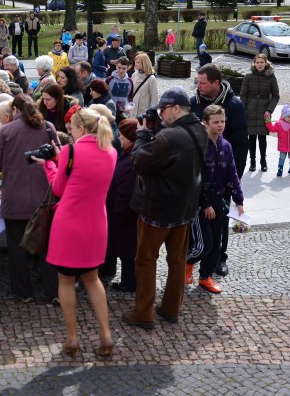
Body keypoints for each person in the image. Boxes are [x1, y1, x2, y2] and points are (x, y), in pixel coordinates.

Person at [30, 107, 116, 357]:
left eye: (72, 127)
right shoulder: (110, 151)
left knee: (66, 281)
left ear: (80, 128)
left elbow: (58, 189)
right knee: (93, 279)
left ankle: (72, 338)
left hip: (69, 224)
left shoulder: (71, 150)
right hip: (96, 223)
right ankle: (106, 334)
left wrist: (49, 165)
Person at [121, 87, 207, 329]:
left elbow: (138, 162)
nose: (161, 114)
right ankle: (171, 309)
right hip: (185, 209)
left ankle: (143, 314)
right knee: (177, 261)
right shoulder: (199, 129)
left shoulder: (169, 138)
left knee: (146, 260)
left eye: (164, 109)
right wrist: (156, 131)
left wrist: (142, 135)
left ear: (176, 108)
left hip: (157, 211)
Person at [0, 95, 59, 303]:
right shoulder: (47, 127)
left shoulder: (8, 130)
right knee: (47, 245)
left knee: (17, 246)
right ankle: (53, 292)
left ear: (14, 110)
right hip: (45, 195)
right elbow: (59, 156)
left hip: (15, 196)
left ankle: (23, 292)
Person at [185, 105, 245, 295]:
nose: (220, 125)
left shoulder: (226, 146)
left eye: (223, 121)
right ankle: (185, 262)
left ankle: (205, 277)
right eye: (216, 122)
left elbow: (232, 174)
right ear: (206, 122)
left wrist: (239, 200)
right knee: (205, 245)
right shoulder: (199, 145)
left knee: (217, 245)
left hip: (219, 200)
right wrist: (206, 204)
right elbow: (196, 178)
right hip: (199, 203)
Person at [191, 63, 248, 178]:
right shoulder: (193, 103)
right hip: (197, 174)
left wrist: (236, 175)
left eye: (202, 83)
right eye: (198, 82)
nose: (198, 86)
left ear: (216, 83)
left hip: (223, 174)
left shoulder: (234, 105)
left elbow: (241, 144)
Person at [104, 119, 138, 291]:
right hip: (124, 213)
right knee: (126, 247)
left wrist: (117, 213)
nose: (119, 138)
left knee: (127, 249)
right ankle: (128, 280)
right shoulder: (129, 154)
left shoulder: (130, 159)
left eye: (122, 136)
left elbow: (126, 191)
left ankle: (129, 282)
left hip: (124, 214)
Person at [239, 53, 280, 172]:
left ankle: (263, 160)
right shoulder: (248, 76)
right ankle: (252, 161)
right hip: (250, 110)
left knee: (262, 137)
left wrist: (269, 110)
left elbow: (276, 95)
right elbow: (243, 95)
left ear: (266, 63)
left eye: (262, 62)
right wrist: (244, 109)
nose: (259, 64)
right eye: (257, 62)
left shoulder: (271, 76)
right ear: (254, 63)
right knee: (251, 137)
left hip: (264, 110)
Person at [127, 53, 158, 121]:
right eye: (135, 62)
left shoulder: (151, 78)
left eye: (138, 62)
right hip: (132, 112)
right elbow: (130, 93)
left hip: (144, 114)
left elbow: (154, 98)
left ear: (144, 63)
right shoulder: (134, 75)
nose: (135, 64)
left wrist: (151, 113)